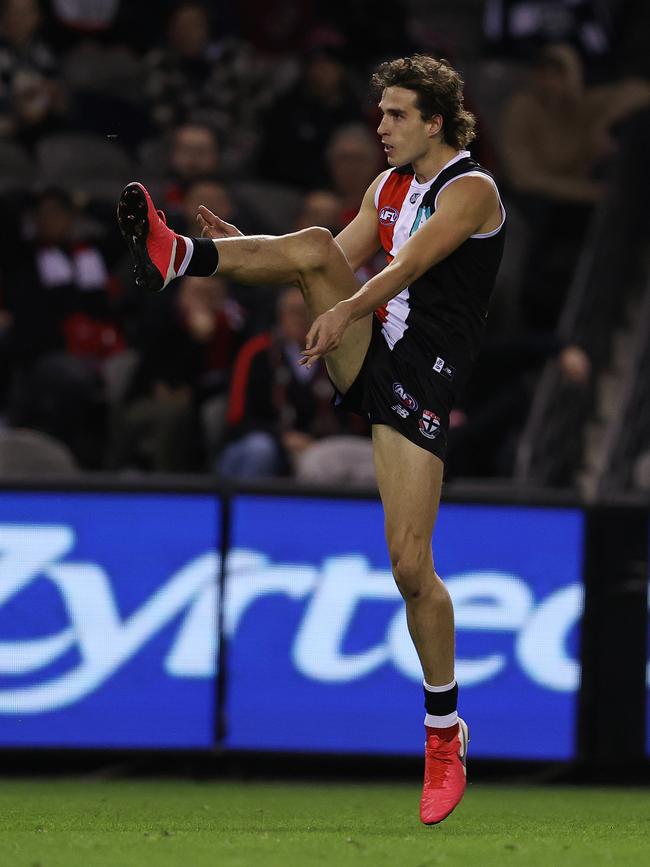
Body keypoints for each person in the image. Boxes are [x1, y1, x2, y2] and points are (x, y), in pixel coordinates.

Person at [117, 53, 505, 826]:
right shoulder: (386, 185)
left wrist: (347, 308)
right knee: (315, 242)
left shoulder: (472, 189)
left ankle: (443, 733)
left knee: (410, 567)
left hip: (422, 374)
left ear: (435, 120)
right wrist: (256, 251)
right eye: (381, 112)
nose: (380, 127)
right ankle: (178, 255)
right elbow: (332, 254)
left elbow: (410, 265)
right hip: (374, 347)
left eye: (396, 114)